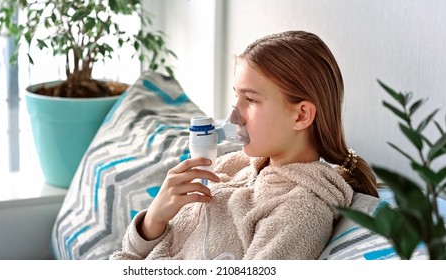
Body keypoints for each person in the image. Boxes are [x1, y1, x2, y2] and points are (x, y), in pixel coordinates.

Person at [110, 30, 378, 260]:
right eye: (236, 96)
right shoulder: (232, 165)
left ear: (301, 115)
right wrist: (153, 220)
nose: (233, 116)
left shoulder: (298, 212)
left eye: (250, 100)